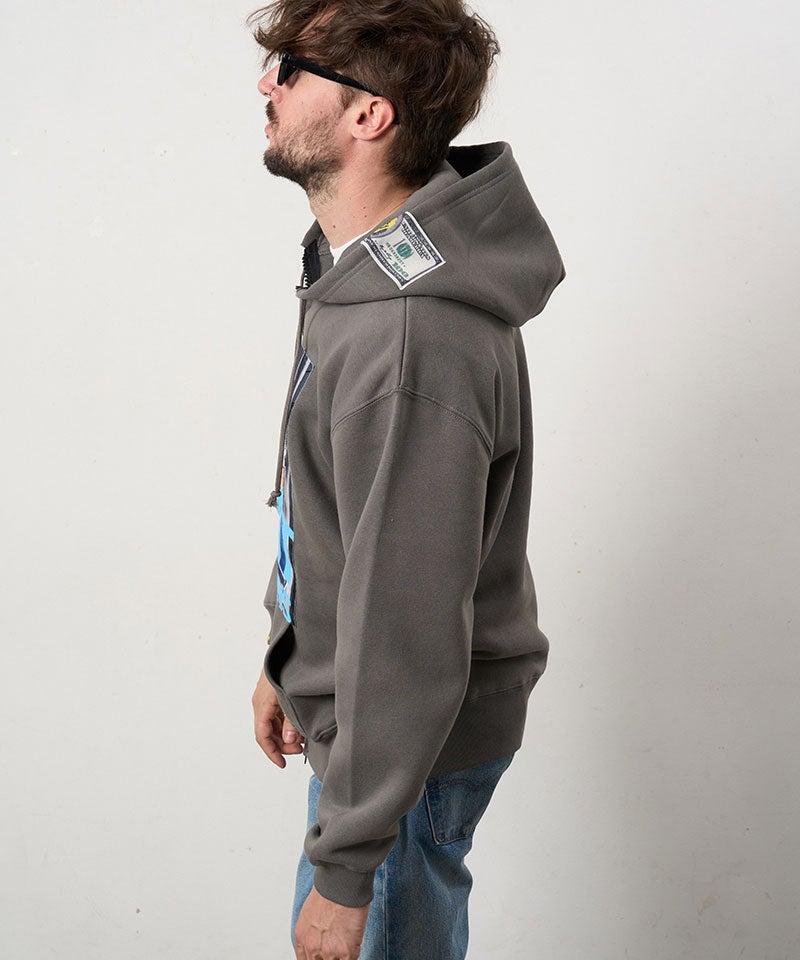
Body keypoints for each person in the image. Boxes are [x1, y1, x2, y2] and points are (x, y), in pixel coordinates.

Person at [246, 2, 565, 957]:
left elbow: (407, 618)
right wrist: (289, 651)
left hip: (399, 760)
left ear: (368, 115)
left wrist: (349, 871)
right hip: (374, 738)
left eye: (290, 70)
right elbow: (334, 509)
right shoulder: (362, 275)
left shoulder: (408, 334)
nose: (266, 85)